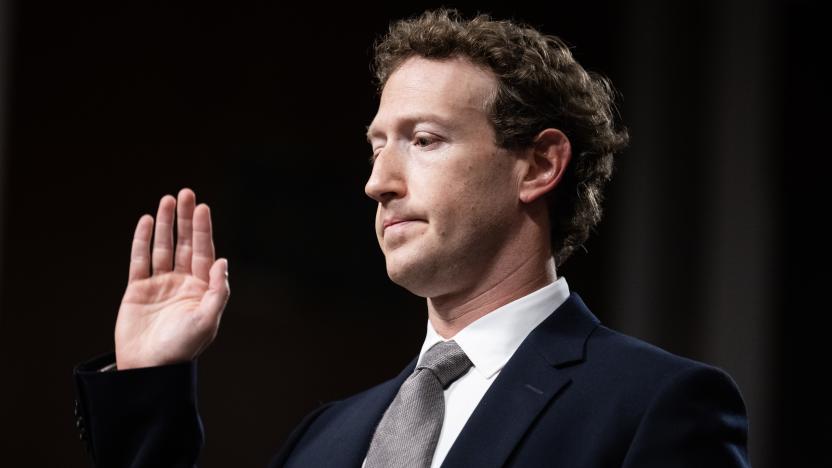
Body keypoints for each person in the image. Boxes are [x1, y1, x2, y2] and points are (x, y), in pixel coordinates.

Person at [73, 9, 751, 468]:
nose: (378, 183)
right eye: (376, 148)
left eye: (423, 141)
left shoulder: (654, 406)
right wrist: (150, 383)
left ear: (540, 164)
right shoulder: (327, 438)